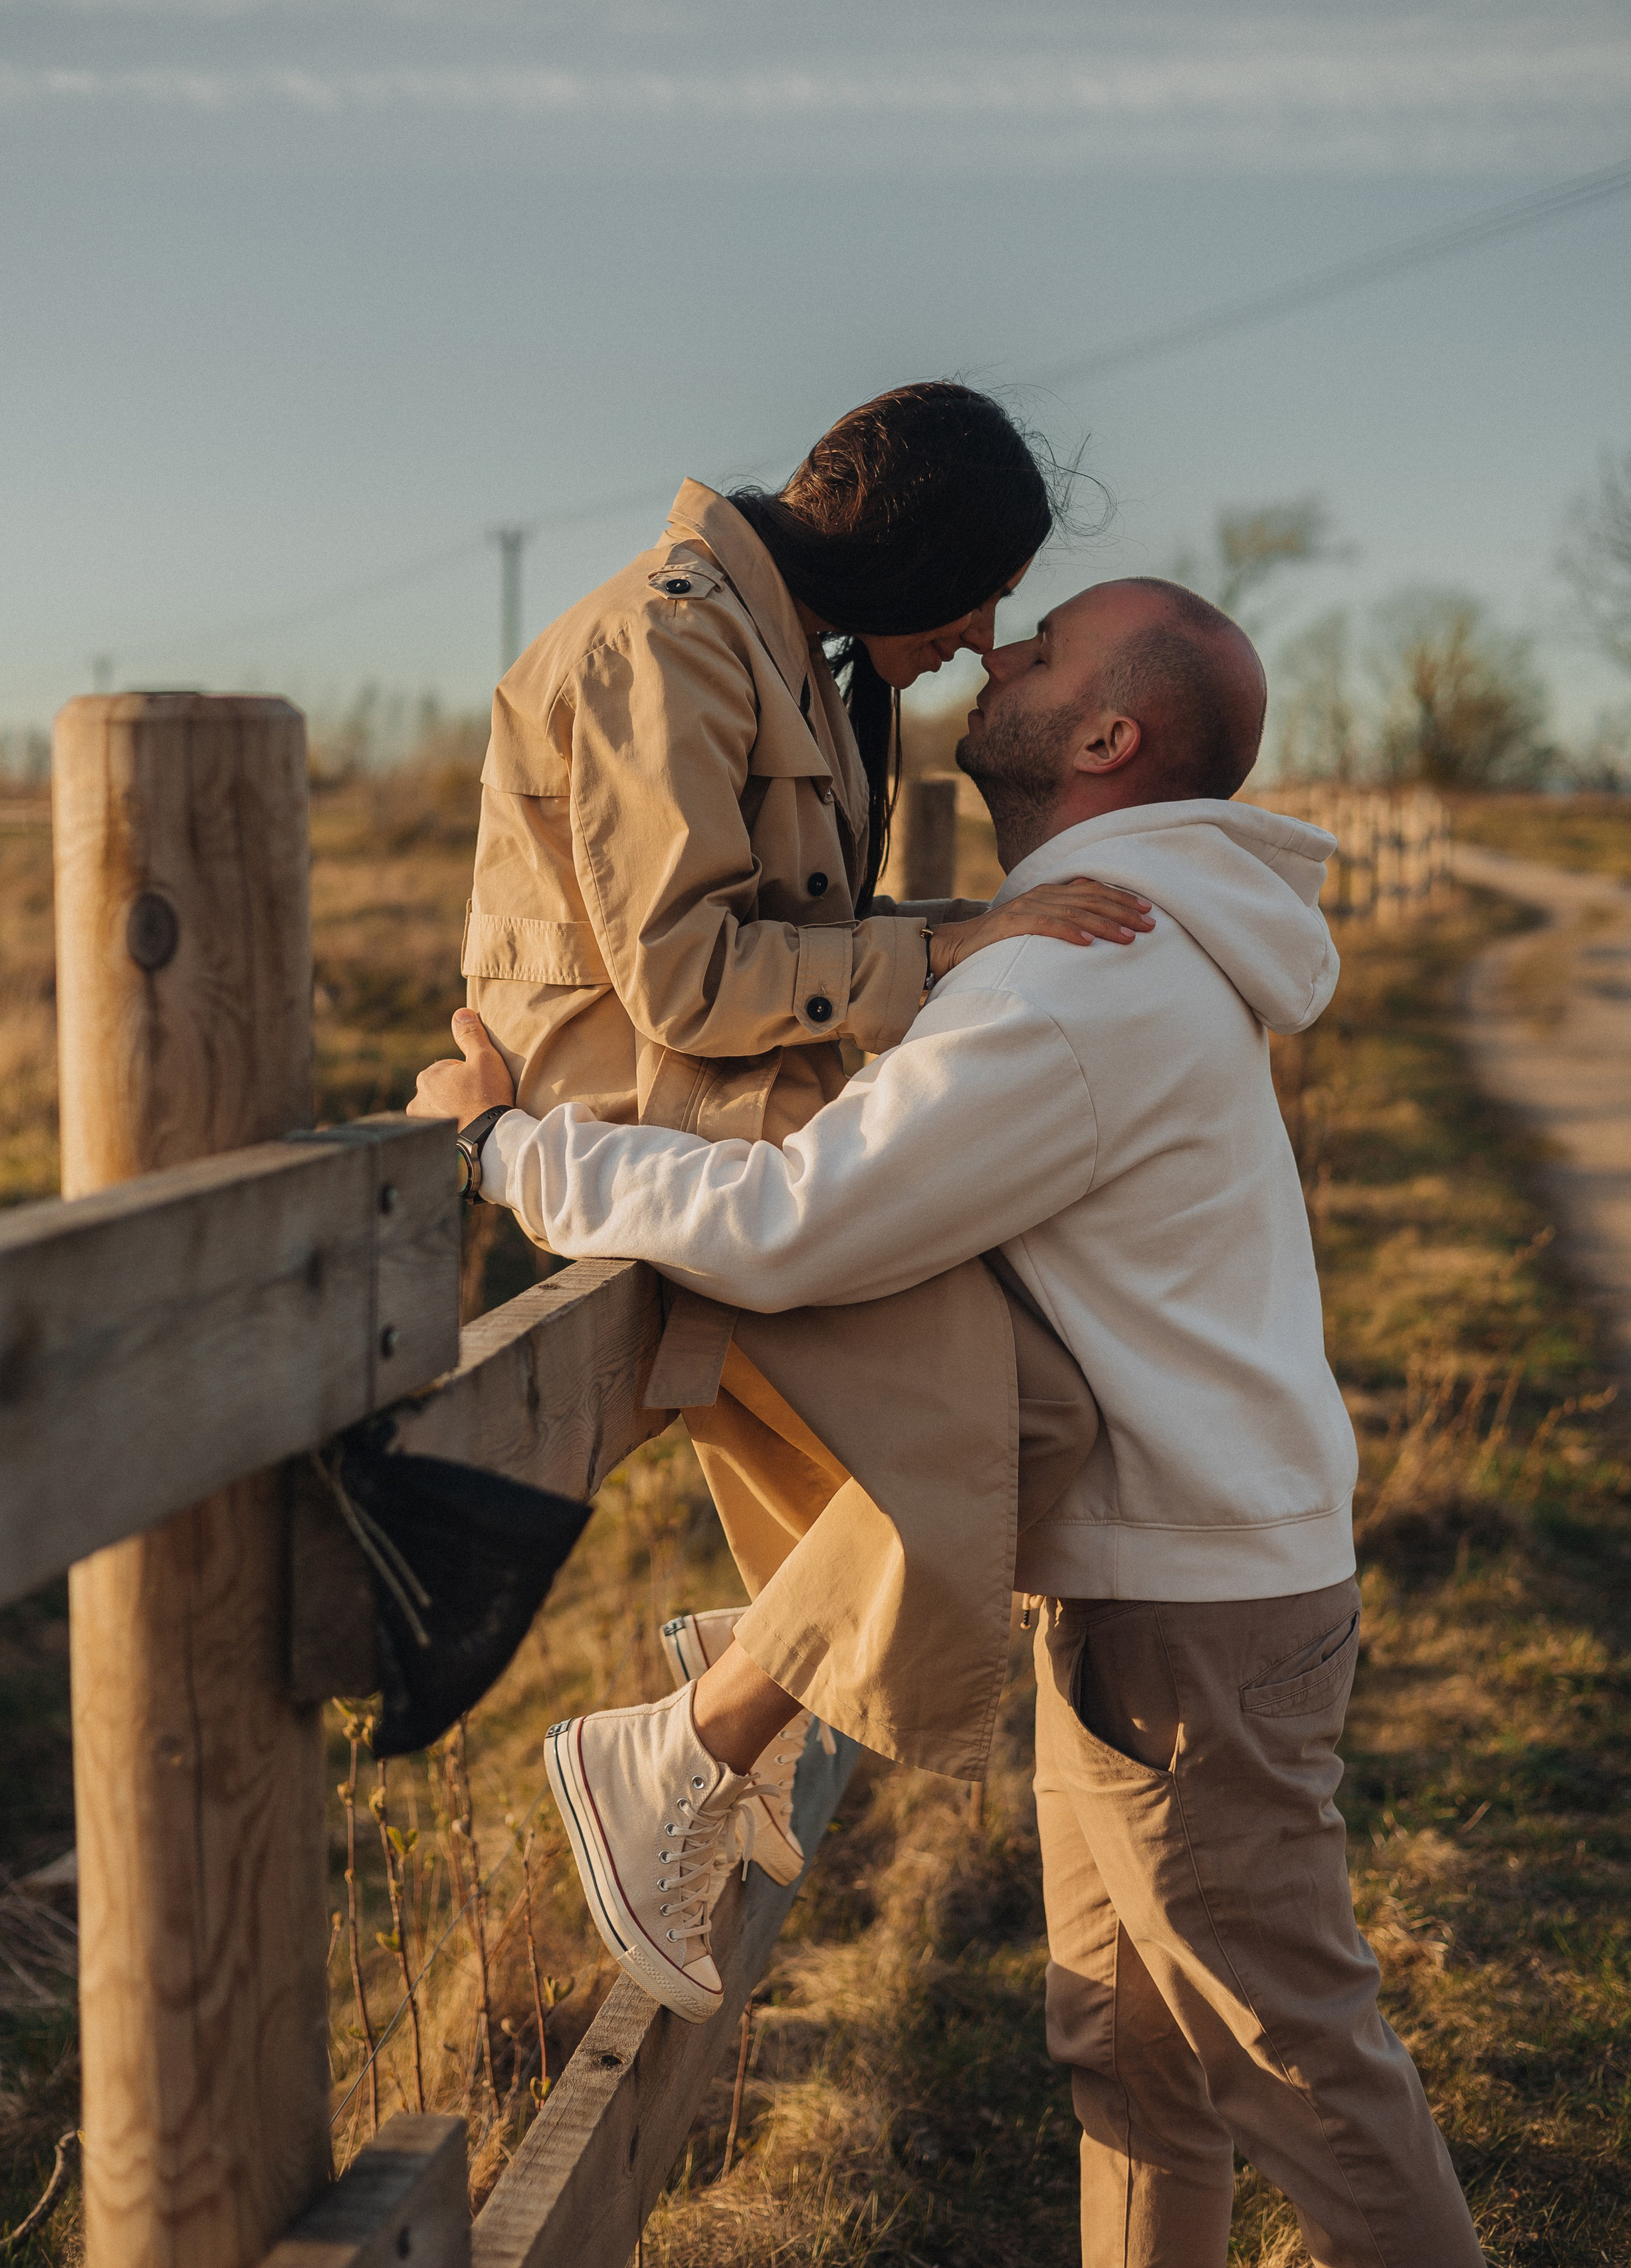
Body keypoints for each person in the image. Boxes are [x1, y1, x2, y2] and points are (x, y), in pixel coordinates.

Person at [415, 576, 1486, 2267]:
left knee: (1296, 2066)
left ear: (1105, 736)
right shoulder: (1096, 941)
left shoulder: (1084, 982)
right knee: (1133, 2061)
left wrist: (509, 1150)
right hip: (1171, 1587)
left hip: (1191, 1623)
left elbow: (797, 1224)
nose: (996, 652)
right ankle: (709, 1726)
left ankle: (698, 1734)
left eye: (1041, 651)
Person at [438, 381, 1146, 1938]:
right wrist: (955, 949)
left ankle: (727, 1702)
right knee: (1011, 1431)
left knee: (1039, 1416)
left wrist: (954, 945)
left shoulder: (777, 651)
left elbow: (791, 944)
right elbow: (693, 979)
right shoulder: (670, 642)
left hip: (733, 1098)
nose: (974, 640)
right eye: (971, 597)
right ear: (901, 558)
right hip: (649, 1113)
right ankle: (676, 1753)